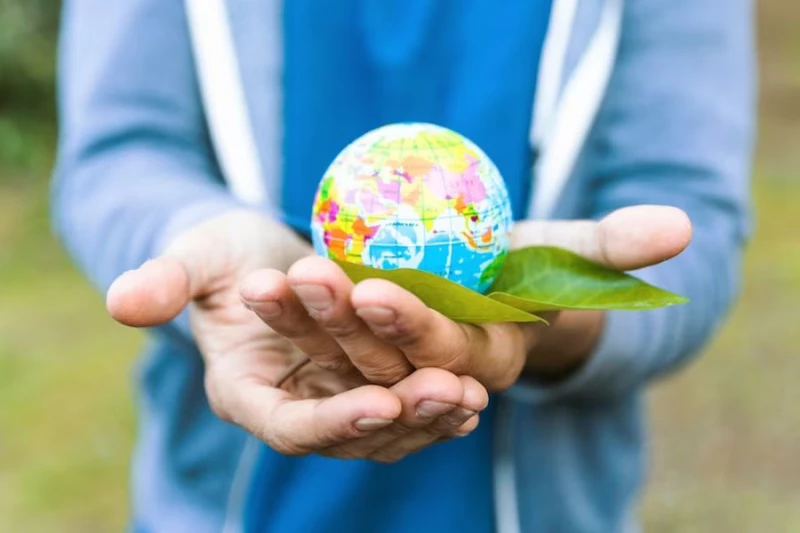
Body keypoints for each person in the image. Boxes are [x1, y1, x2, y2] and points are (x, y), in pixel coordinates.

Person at [52, 0, 755, 531]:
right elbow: (118, 152)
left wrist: (547, 320)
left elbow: (689, 228)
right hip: (227, 502)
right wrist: (191, 241)